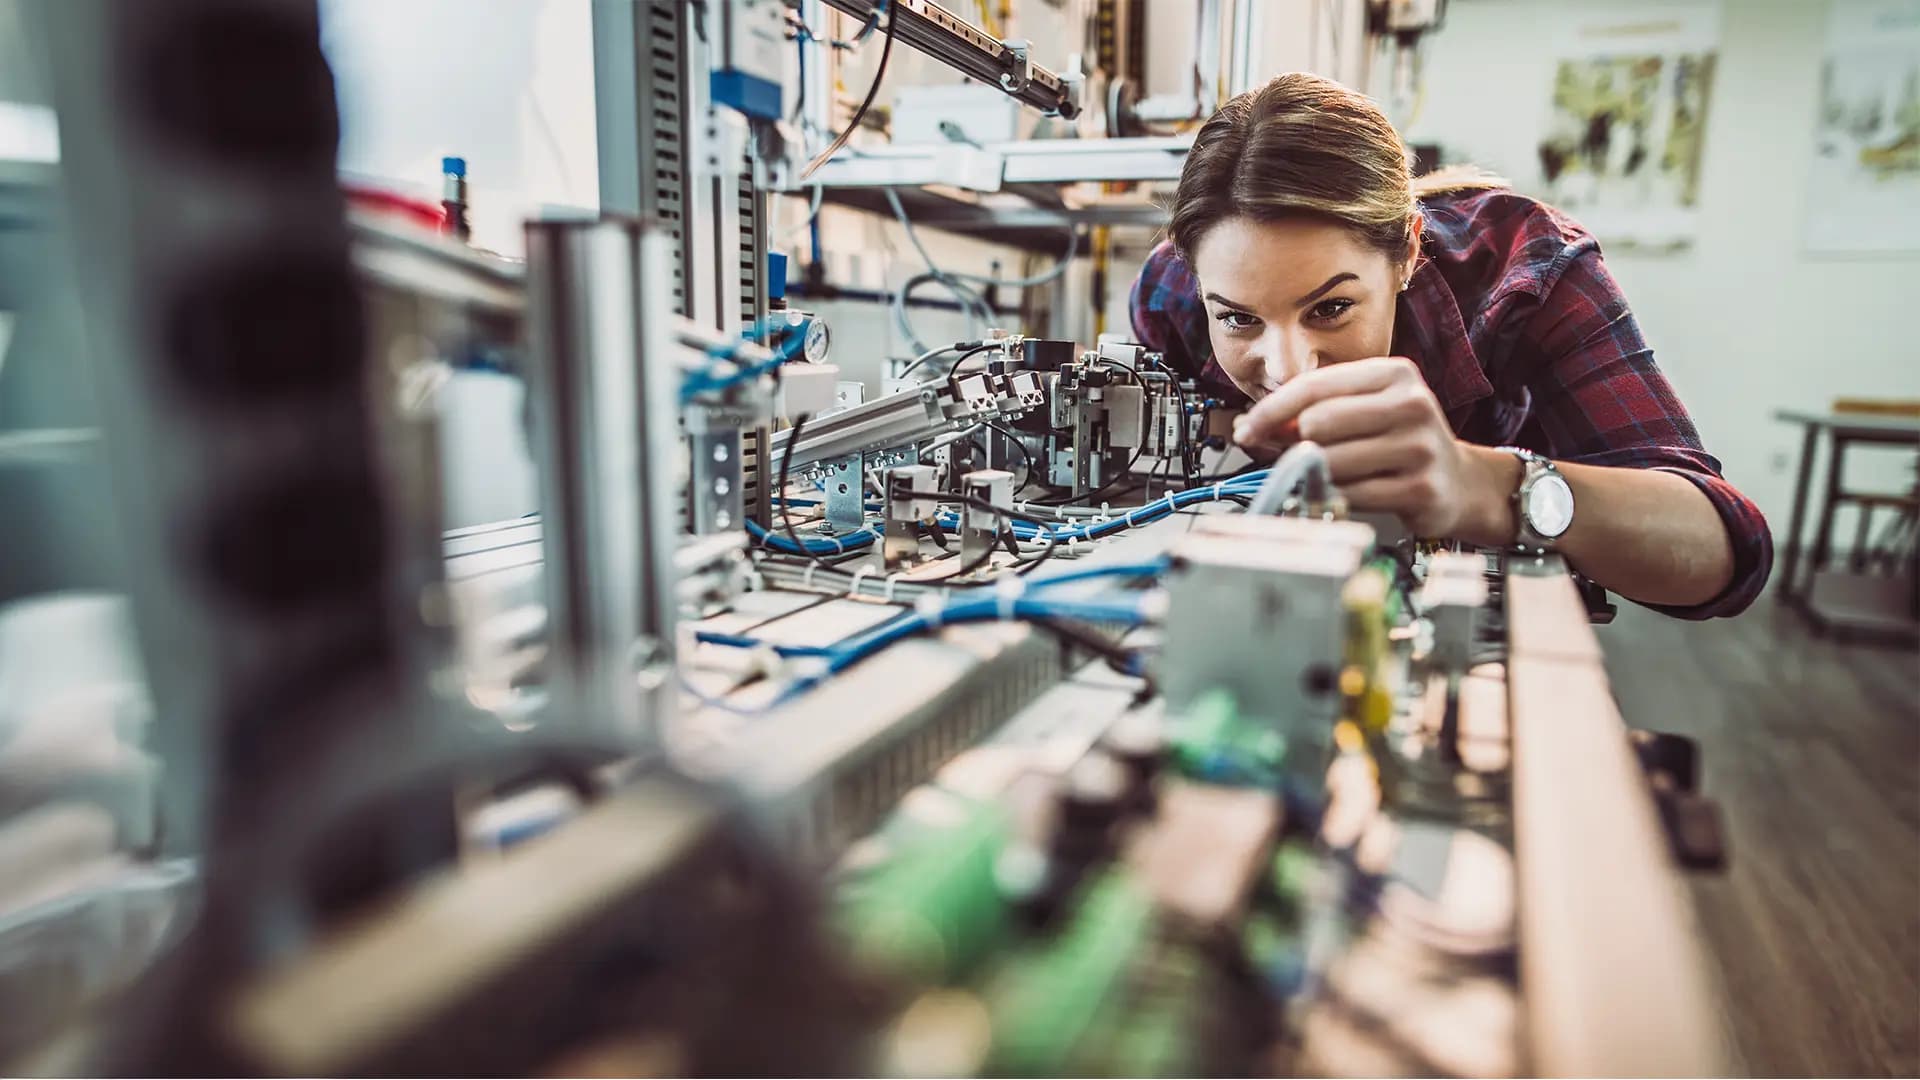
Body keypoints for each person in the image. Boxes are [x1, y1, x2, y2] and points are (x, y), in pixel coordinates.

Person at [1130, 73, 1770, 618]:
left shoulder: (1529, 270)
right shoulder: (1170, 296)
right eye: (1240, 320)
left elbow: (1725, 550)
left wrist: (1480, 486)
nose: (1290, 369)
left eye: (1331, 308)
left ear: (1407, 251)